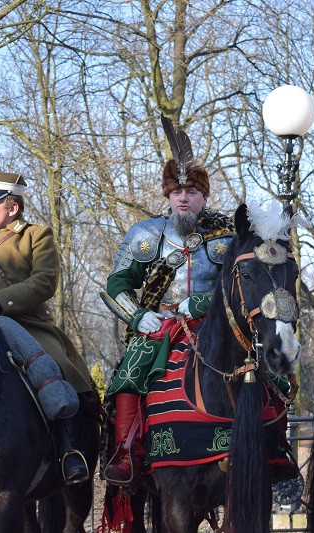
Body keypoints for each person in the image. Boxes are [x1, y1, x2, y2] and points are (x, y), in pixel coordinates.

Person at [100, 119, 235, 485]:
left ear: (204, 197)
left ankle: (274, 449)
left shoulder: (227, 237)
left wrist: (205, 304)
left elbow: (240, 287)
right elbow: (115, 286)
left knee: (264, 370)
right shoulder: (146, 234)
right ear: (168, 196)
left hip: (215, 325)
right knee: (129, 375)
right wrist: (137, 315)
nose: (183, 197)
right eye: (176, 191)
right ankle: (126, 455)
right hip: (159, 325)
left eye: (191, 191)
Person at [0, 170, 95, 485]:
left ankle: (69, 451)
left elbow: (44, 282)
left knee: (58, 368)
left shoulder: (36, 236)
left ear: (12, 207)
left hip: (26, 323)